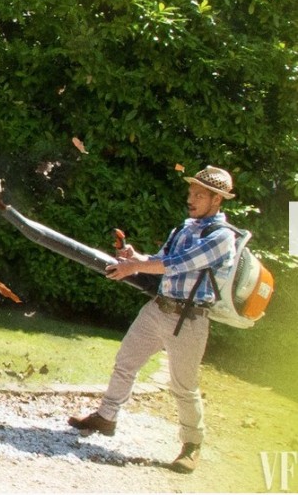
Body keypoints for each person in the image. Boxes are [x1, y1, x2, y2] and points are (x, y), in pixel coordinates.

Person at [68, 166, 237, 474]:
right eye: (190, 191)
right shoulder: (184, 229)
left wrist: (135, 267)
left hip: (189, 318)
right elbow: (159, 260)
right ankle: (106, 417)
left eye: (199, 194)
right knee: (125, 362)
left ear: (217, 200)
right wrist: (136, 257)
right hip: (158, 308)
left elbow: (180, 264)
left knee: (183, 386)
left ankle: (191, 445)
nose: (191, 198)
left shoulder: (222, 237)